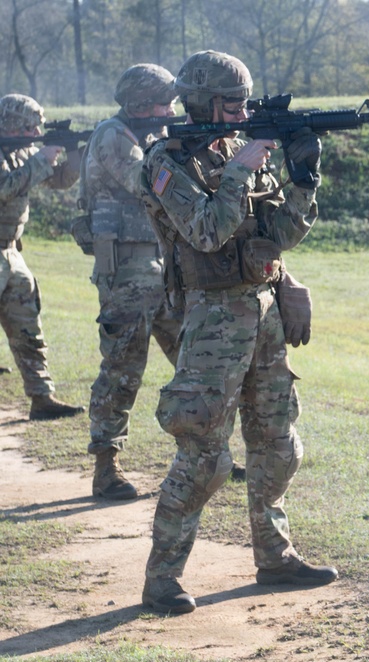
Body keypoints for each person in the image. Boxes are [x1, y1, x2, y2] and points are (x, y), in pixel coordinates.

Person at [139, 50, 336, 615]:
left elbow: (278, 232)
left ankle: (274, 557)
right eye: (234, 103)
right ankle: (162, 579)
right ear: (201, 101)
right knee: (204, 455)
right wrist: (241, 170)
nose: (243, 112)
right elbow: (205, 231)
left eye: (247, 102)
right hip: (211, 322)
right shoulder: (165, 161)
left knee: (278, 444)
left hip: (264, 313)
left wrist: (303, 180)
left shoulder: (233, 149)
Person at [79, 64, 185, 500]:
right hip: (126, 272)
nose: (172, 109)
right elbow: (146, 183)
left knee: (193, 361)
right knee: (123, 369)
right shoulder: (114, 136)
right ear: (142, 104)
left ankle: (203, 451)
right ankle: (107, 468)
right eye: (165, 103)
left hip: (162, 269)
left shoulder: (145, 133)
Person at [0, 94, 86, 421]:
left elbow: (61, 180)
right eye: (29, 126)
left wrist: (72, 149)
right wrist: (42, 158)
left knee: (28, 327)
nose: (36, 132)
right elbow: (5, 188)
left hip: (11, 251)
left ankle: (41, 398)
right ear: (10, 124)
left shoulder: (21, 150)